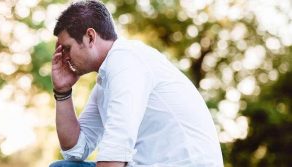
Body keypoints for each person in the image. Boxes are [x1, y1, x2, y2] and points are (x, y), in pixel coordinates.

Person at [49, 0, 224, 167]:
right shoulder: (106, 81)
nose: (64, 57)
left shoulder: (127, 60)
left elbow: (117, 143)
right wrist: (63, 91)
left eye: (67, 48)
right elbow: (76, 151)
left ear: (90, 37)